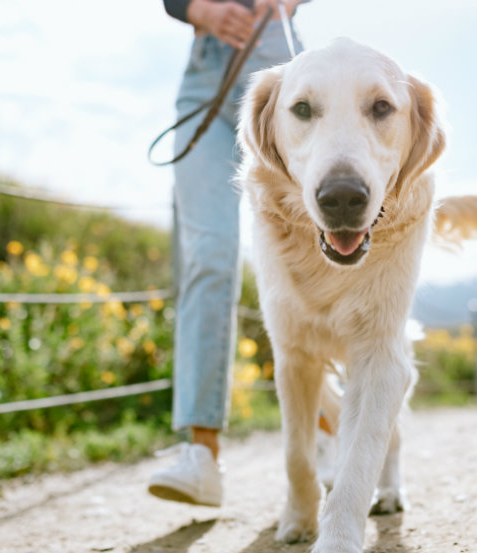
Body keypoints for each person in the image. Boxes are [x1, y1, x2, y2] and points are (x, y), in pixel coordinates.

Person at [148, 0, 305, 507]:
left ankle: (328, 425)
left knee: (307, 248)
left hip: (281, 62)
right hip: (206, 74)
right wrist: (202, 10)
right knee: (210, 252)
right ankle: (201, 455)